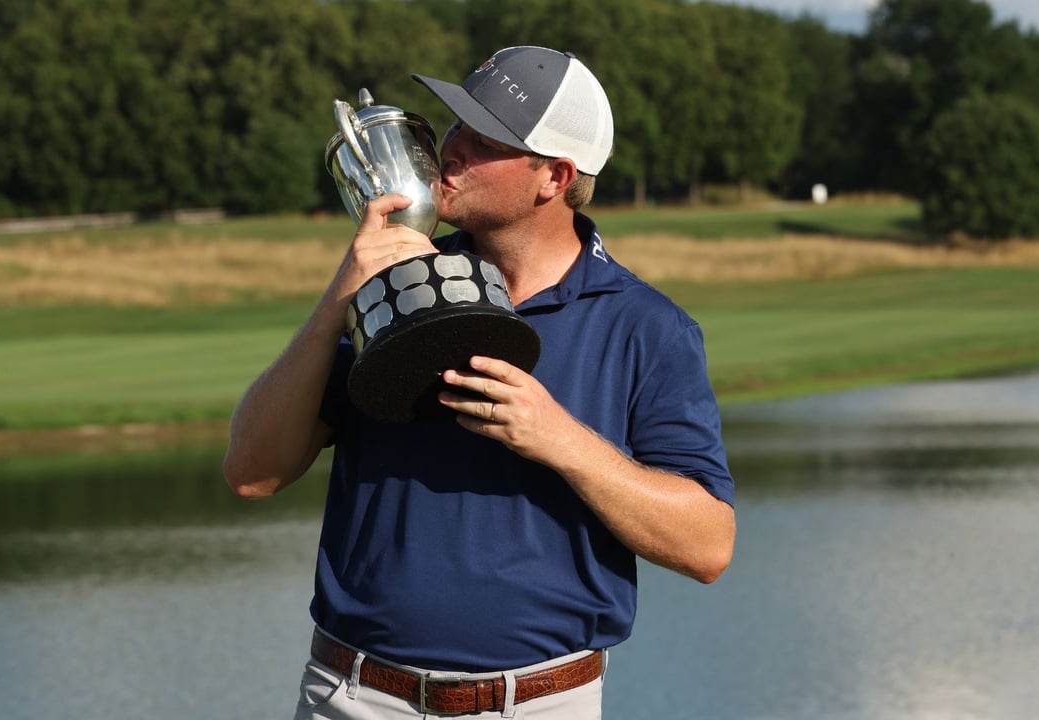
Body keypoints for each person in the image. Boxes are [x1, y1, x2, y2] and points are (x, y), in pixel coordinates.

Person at [223, 46, 736, 719]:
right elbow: (252, 472)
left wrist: (559, 439)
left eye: (483, 139)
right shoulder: (389, 288)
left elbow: (707, 546)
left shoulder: (647, 327)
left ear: (552, 176)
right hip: (354, 697)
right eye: (455, 125)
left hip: (541, 704)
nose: (451, 149)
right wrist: (337, 300)